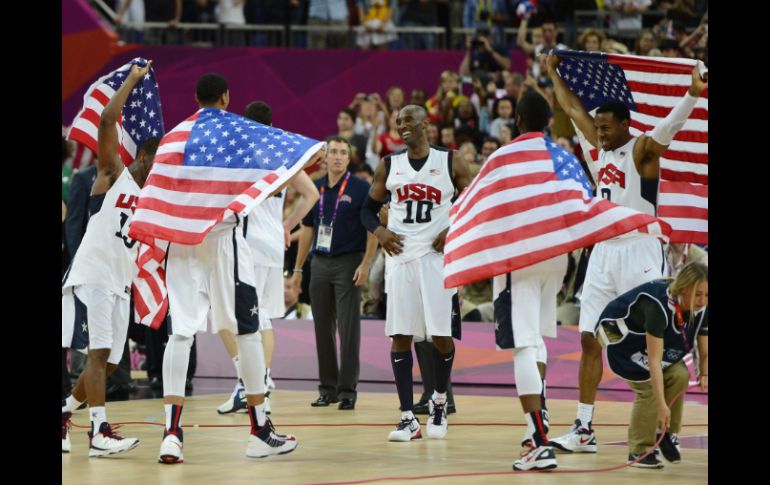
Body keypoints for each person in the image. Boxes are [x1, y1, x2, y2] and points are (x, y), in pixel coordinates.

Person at [544, 53, 708, 453]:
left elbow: (668, 130)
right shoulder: (598, 149)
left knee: (655, 340)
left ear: (624, 126)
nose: (598, 133)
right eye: (596, 127)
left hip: (640, 250)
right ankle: (584, 428)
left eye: (605, 127)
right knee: (588, 339)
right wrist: (551, 73)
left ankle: (664, 429)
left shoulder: (642, 152)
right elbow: (570, 108)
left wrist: (690, 95)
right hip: (603, 251)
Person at [157, 73, 304, 464]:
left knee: (180, 334)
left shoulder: (176, 135)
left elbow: (157, 188)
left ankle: (171, 434)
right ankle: (259, 430)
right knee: (249, 331)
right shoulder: (239, 132)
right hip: (223, 241)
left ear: (195, 98)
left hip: (182, 241)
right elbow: (271, 176)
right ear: (225, 97)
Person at [61, 61, 159, 456]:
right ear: (146, 158)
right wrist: (132, 82)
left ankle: (64, 412)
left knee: (113, 363)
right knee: (99, 354)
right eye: (160, 164)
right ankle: (98, 433)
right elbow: (106, 120)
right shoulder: (111, 173)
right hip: (96, 273)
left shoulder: (151, 197)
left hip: (120, 280)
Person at [361, 104, 471, 441]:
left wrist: (453, 230)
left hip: (437, 260)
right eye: (398, 122)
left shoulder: (451, 161)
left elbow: (475, 200)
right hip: (401, 259)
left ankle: (439, 400)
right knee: (400, 336)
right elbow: (367, 211)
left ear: (425, 123)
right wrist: (380, 234)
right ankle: (408, 417)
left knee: (441, 335)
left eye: (408, 120)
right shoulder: (389, 165)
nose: (402, 126)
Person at [216, 100, 319, 416]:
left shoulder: (239, 152)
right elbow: (312, 194)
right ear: (271, 125)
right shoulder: (282, 153)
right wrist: (285, 226)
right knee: (259, 317)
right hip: (272, 244)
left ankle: (251, 384)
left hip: (245, 244)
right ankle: (255, 384)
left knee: (228, 315)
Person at [490, 91, 568, 471]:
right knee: (535, 339)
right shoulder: (562, 155)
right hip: (557, 254)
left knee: (523, 344)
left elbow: (484, 207)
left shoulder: (504, 156)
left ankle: (539, 441)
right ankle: (540, 422)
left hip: (520, 254)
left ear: (517, 121)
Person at [293, 136, 378, 411]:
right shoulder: (315, 187)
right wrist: (297, 269)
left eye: (343, 152)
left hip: (348, 262)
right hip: (319, 262)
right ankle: (327, 388)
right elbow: (307, 230)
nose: (338, 157)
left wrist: (366, 264)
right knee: (322, 329)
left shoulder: (361, 187)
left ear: (349, 157)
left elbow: (372, 228)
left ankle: (347, 390)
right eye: (333, 152)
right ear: (325, 157)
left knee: (348, 328)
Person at [595, 262, 708, 468]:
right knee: (649, 391)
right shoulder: (658, 306)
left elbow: (704, 347)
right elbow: (654, 362)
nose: (703, 301)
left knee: (680, 375)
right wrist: (663, 405)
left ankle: (664, 433)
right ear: (684, 289)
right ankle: (639, 451)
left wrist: (704, 372)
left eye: (707, 295)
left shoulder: (701, 308)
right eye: (698, 294)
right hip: (626, 346)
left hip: (657, 348)